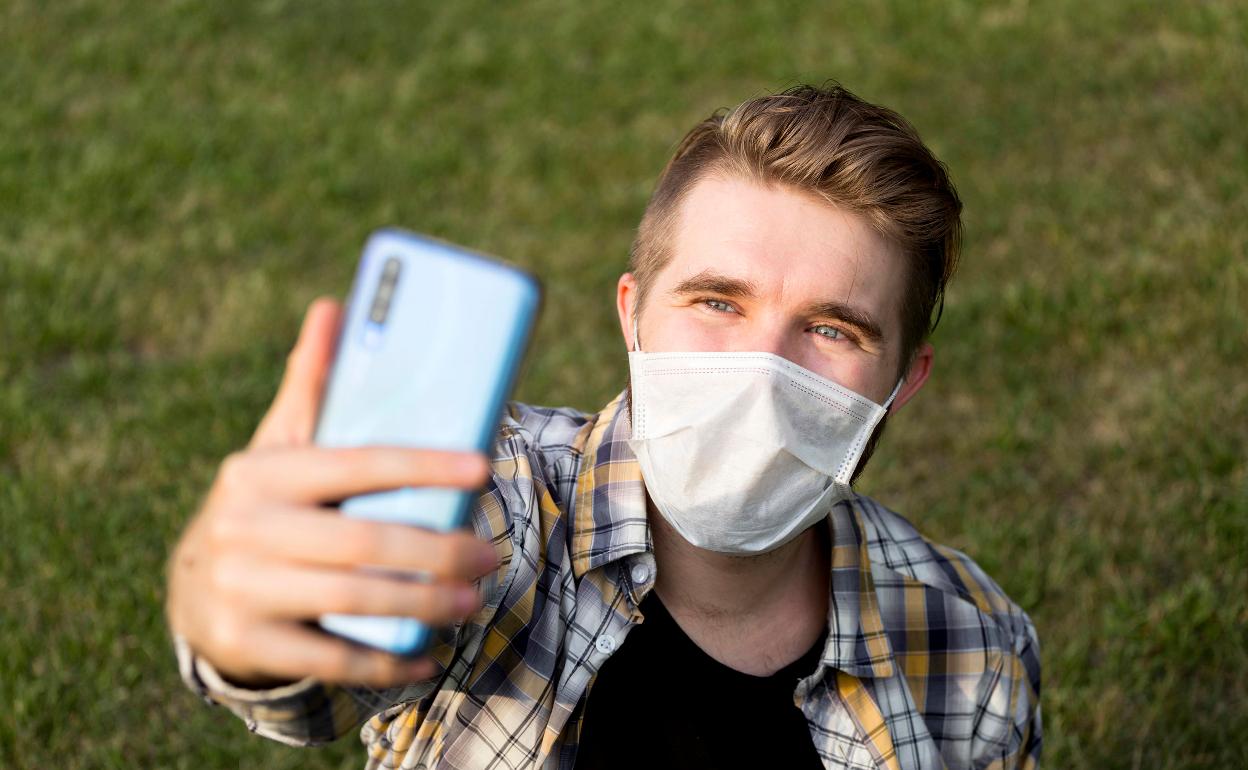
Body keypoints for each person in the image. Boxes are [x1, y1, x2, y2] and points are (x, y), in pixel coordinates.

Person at [167, 83, 1041, 769]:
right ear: (634, 316)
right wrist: (235, 619)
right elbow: (312, 685)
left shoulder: (972, 643)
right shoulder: (486, 503)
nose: (760, 372)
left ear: (901, 380)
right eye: (716, 301)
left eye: (830, 329)